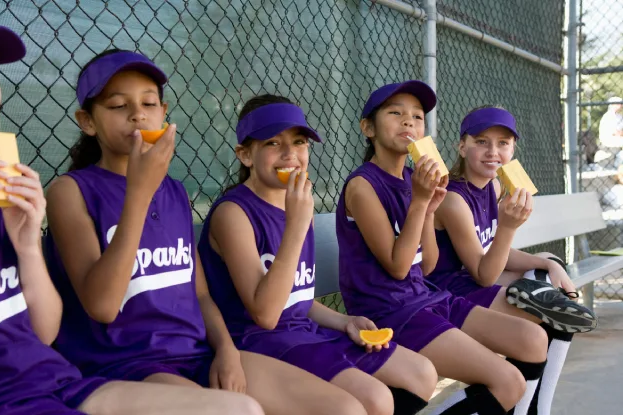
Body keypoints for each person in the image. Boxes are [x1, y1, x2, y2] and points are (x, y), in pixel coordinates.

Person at [0, 10, 261, 415]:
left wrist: (26, 246)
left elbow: (43, 332)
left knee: (239, 409)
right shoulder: (68, 191)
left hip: (52, 382)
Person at [44, 49, 364, 415]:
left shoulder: (175, 191)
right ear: (87, 121)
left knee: (344, 409)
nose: (137, 114)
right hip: (125, 364)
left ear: (163, 114)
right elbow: (101, 306)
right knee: (239, 410)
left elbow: (200, 294)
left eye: (149, 103)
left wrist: (226, 351)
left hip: (196, 352)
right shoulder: (70, 191)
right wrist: (138, 193)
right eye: (118, 106)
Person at [198, 94, 439, 415]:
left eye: (299, 142)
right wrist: (297, 225)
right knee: (369, 401)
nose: (289, 154)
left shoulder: (294, 200)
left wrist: (345, 321)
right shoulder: (234, 213)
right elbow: (267, 315)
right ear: (245, 155)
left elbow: (297, 297)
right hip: (258, 342)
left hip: (303, 332)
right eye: (272, 143)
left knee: (421, 374)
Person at [336, 81, 549, 415]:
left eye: (417, 117)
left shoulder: (412, 178)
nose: (408, 122)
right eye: (395, 113)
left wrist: (427, 207)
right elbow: (398, 268)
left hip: (426, 296)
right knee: (507, 381)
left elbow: (428, 265)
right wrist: (421, 203)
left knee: (534, 339)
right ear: (368, 128)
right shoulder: (363, 185)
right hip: (388, 310)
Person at [430, 105, 597, 414]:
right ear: (462, 146)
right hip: (446, 290)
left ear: (513, 149)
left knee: (548, 281)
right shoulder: (453, 199)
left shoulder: (493, 186)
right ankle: (529, 411)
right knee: (551, 312)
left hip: (471, 278)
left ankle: (536, 409)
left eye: (503, 143)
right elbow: (485, 274)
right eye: (481, 141)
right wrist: (508, 226)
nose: (493, 151)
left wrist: (547, 262)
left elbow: (494, 254)